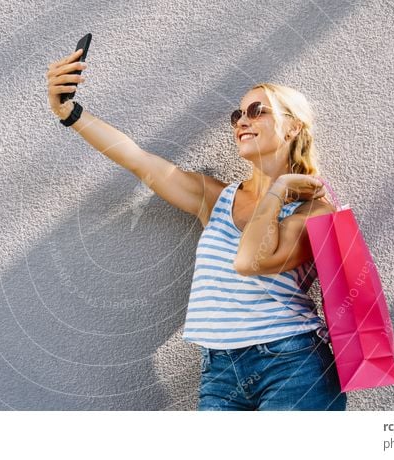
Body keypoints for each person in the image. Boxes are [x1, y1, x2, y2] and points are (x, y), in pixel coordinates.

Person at [46, 48, 346, 410]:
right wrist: (68, 111)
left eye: (256, 110)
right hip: (219, 371)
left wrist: (279, 192)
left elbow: (252, 260)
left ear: (293, 126)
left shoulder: (313, 208)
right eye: (238, 114)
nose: (241, 121)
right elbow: (139, 161)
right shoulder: (216, 197)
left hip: (292, 366)